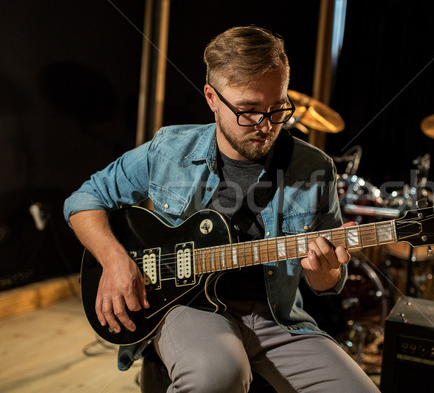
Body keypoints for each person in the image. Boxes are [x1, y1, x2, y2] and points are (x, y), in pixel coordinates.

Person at [64, 26, 380, 392]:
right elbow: (84, 200)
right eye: (248, 111)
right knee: (219, 374)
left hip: (276, 317)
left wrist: (322, 269)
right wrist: (115, 260)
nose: (265, 126)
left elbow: (326, 282)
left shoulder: (316, 168)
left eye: (277, 109)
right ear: (212, 98)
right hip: (188, 308)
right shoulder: (170, 149)